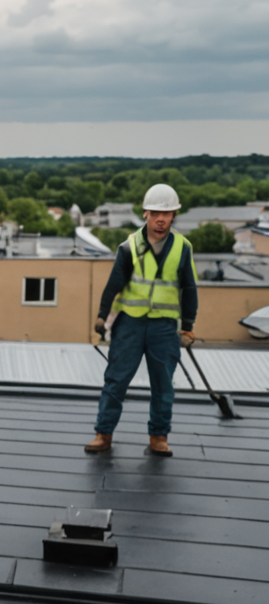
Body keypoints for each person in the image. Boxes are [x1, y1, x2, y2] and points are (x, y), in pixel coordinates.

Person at [87, 183, 197, 457]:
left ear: (174, 216)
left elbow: (189, 289)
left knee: (163, 384)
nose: (162, 219)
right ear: (146, 213)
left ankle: (159, 436)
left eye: (168, 213)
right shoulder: (129, 247)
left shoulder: (183, 248)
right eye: (157, 213)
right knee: (116, 380)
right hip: (130, 324)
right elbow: (113, 285)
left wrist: (188, 327)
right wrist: (102, 316)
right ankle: (103, 433)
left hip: (163, 326)